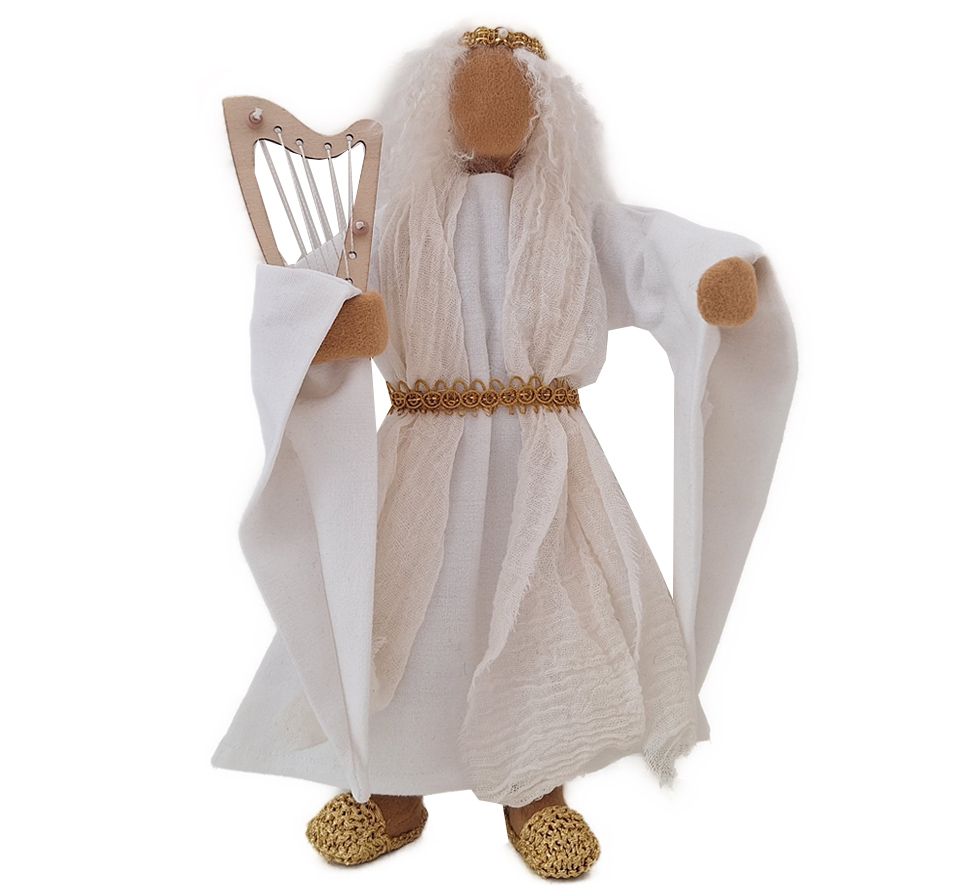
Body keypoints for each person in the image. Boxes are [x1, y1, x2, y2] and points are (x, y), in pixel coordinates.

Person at [214, 26, 797, 879]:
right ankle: (390, 782)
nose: (493, 114)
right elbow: (313, 284)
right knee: (405, 613)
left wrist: (711, 275)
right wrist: (334, 324)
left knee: (547, 612)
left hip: (545, 457)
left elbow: (650, 251)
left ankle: (538, 786)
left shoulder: (571, 221)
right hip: (424, 450)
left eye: (514, 98)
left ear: (545, 114)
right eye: (474, 95)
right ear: (436, 110)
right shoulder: (397, 220)